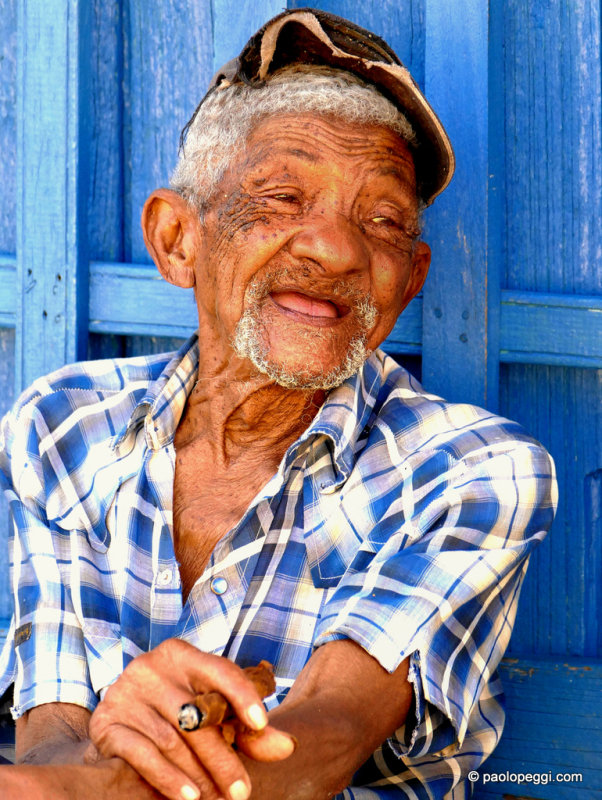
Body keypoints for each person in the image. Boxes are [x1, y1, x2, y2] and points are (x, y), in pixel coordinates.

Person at [0, 9, 557, 800]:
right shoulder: (64, 426)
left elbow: (325, 741)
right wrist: (98, 767)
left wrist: (126, 775)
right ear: (176, 240)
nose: (336, 248)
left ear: (412, 278)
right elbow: (52, 741)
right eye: (283, 196)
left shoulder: (470, 470)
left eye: (384, 220)